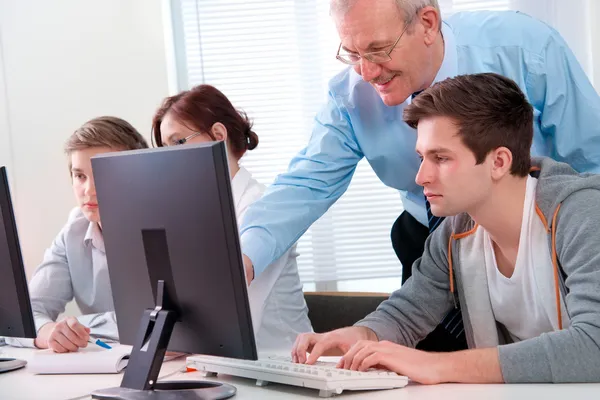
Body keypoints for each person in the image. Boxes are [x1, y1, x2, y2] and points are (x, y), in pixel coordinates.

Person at [238, 0, 600, 352]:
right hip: (434, 233)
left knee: (558, 350)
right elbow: (306, 185)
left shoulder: (525, 47)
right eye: (351, 54)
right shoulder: (350, 96)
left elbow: (591, 155)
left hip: (553, 228)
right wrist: (243, 258)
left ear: (427, 24)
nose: (366, 72)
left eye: (378, 49)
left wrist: (579, 230)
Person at [290, 73, 600, 384]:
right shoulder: (456, 232)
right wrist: (362, 334)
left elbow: (594, 345)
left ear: (499, 162)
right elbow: (408, 311)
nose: (421, 177)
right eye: (422, 157)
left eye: (440, 158)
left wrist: (438, 366)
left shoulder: (582, 215)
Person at [152, 84, 312, 352]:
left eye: (178, 142)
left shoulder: (263, 211)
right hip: (223, 362)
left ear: (218, 136)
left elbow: (235, 317)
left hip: (282, 365)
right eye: (165, 149)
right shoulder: (197, 212)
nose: (171, 158)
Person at [10, 117, 149, 352]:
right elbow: (26, 314)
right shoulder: (74, 230)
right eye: (80, 176)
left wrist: (82, 327)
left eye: (103, 175)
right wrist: (49, 333)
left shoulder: (170, 228)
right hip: (104, 366)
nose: (89, 190)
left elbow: (155, 325)